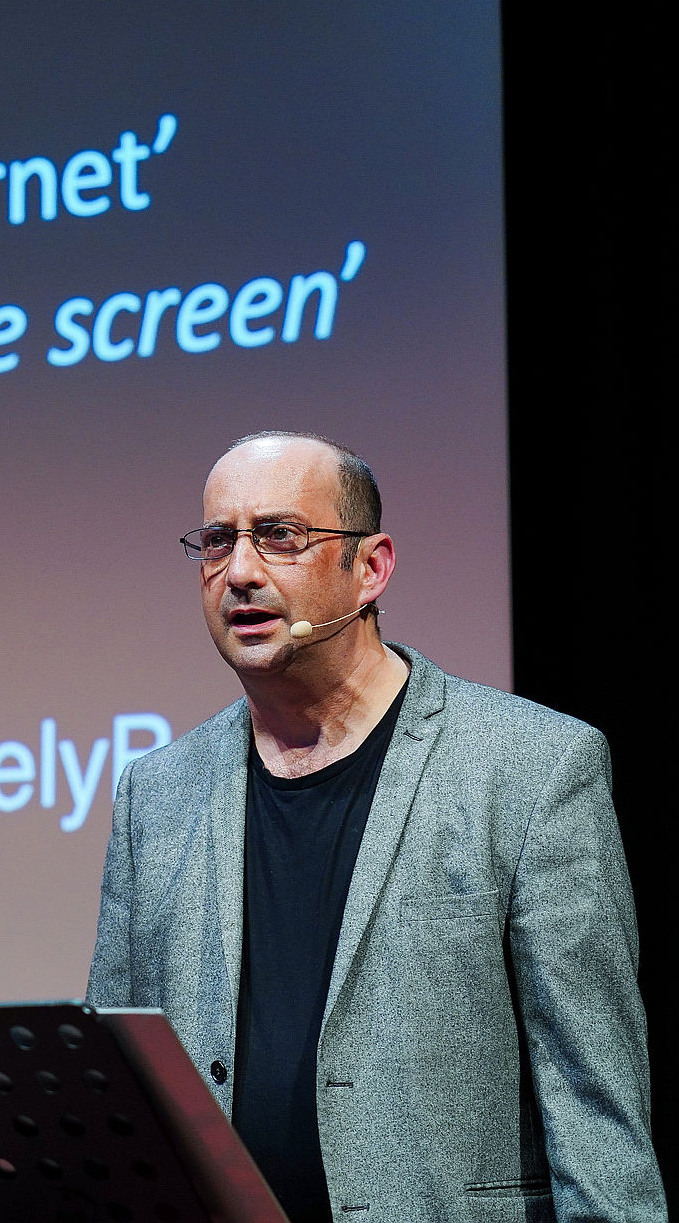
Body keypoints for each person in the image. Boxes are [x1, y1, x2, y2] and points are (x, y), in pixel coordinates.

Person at [88, 431, 662, 1222]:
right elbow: (119, 1090)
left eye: (280, 537)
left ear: (371, 568)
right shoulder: (157, 793)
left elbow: (597, 1109)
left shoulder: (533, 766)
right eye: (217, 542)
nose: (241, 572)